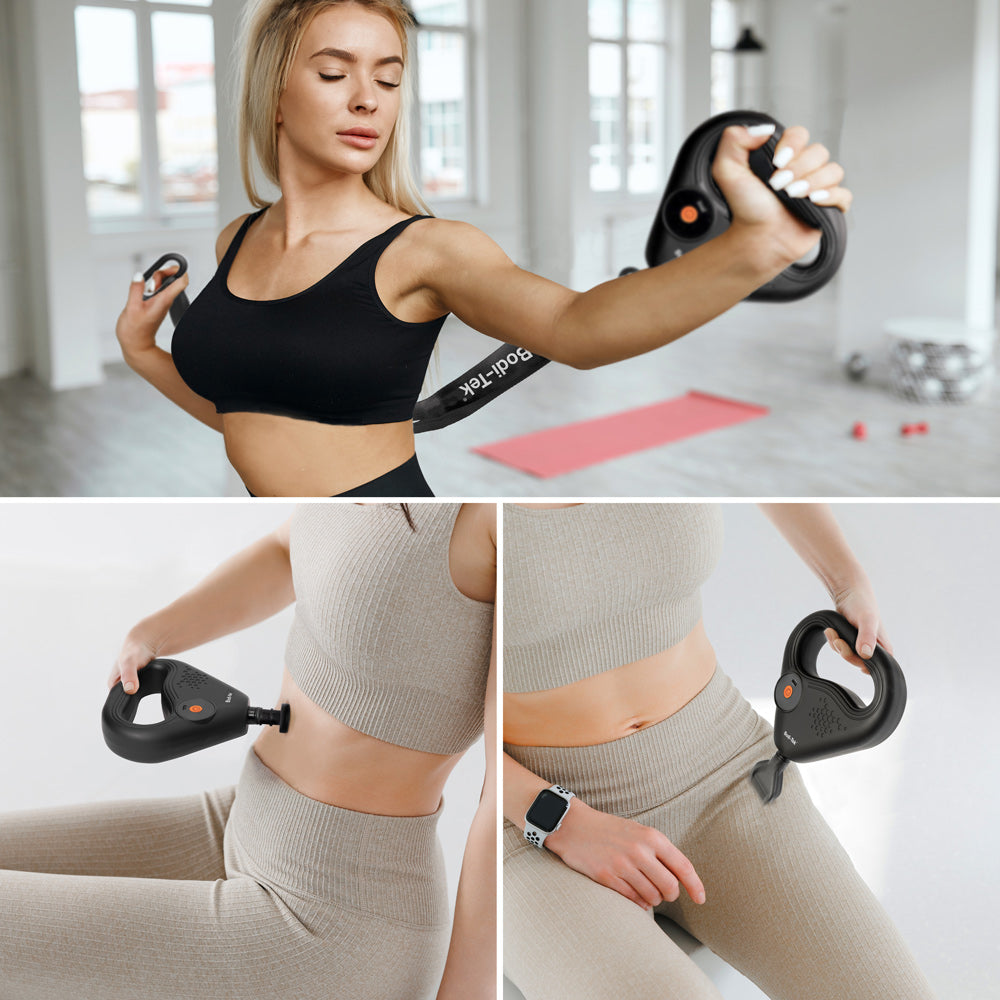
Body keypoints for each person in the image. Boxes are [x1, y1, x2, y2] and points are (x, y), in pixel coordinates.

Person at [114, 0, 852, 497]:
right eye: (335, 73)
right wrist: (147, 354)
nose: (368, 98)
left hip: (393, 533)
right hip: (289, 537)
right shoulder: (237, 238)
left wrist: (762, 245)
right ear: (275, 93)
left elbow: (578, 328)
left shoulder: (427, 250)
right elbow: (249, 414)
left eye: (389, 78)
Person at [0, 502, 497, 1000]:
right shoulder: (345, 481)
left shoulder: (495, 519)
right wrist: (153, 634)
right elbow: (285, 550)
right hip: (241, 817)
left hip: (330, 916)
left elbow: (498, 802)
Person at [502, 502, 936, 1000]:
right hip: (540, 829)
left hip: (727, 773)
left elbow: (770, 456)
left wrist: (846, 582)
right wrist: (560, 821)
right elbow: (437, 718)